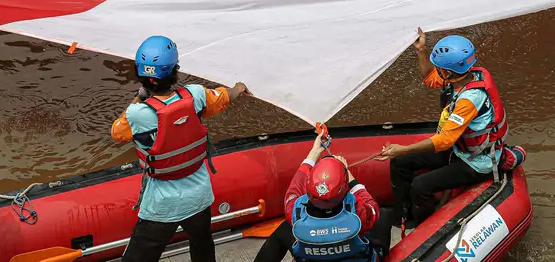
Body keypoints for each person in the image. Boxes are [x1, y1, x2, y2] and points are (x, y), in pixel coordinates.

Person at [111, 35, 249, 262]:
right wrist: (239, 87)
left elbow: (117, 132)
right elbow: (225, 96)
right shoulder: (196, 95)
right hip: (199, 196)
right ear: (175, 70)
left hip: (161, 205)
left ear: (141, 75)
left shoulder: (137, 114)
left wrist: (139, 96)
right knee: (202, 246)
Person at [376, 29, 508, 231]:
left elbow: (444, 141)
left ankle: (422, 230)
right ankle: (403, 216)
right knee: (400, 162)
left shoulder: (470, 100)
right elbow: (430, 77)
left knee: (421, 185)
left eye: (441, 68)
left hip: (476, 162)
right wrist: (422, 51)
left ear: (449, 72)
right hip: (459, 149)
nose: (438, 71)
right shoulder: (465, 75)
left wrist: (402, 148)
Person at [252, 133, 385, 262]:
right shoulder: (359, 211)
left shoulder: (295, 211)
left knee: (285, 229)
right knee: (384, 215)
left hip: (311, 255)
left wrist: (315, 151)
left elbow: (295, 186)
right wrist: (348, 174)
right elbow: (372, 207)